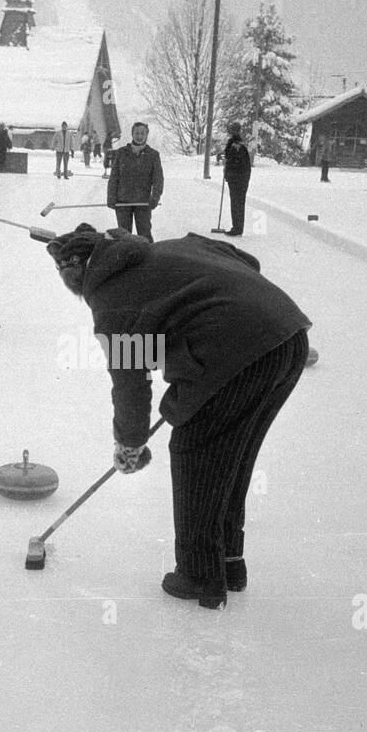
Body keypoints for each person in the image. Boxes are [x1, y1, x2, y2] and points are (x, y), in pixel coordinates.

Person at [45, 224, 312, 609]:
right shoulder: (172, 248)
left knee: (194, 449)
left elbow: (130, 383)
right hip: (288, 335)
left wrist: (131, 441)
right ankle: (228, 562)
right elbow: (245, 260)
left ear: (77, 275)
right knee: (232, 451)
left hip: (239, 350)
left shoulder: (110, 299)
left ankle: (200, 575)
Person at [106, 122, 164, 241]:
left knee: (144, 235)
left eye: (142, 133)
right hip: (122, 202)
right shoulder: (122, 153)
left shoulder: (153, 155)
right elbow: (114, 177)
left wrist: (155, 197)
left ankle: (148, 259)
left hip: (143, 203)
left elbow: (158, 179)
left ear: (147, 134)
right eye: (137, 133)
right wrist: (111, 197)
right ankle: (125, 259)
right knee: (124, 237)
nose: (139, 136)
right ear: (132, 134)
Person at [222, 122, 252, 236]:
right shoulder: (236, 144)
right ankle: (237, 227)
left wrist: (228, 170)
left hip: (238, 179)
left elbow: (237, 163)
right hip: (238, 178)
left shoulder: (237, 145)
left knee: (237, 203)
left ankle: (237, 228)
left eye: (232, 131)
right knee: (237, 203)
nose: (231, 133)